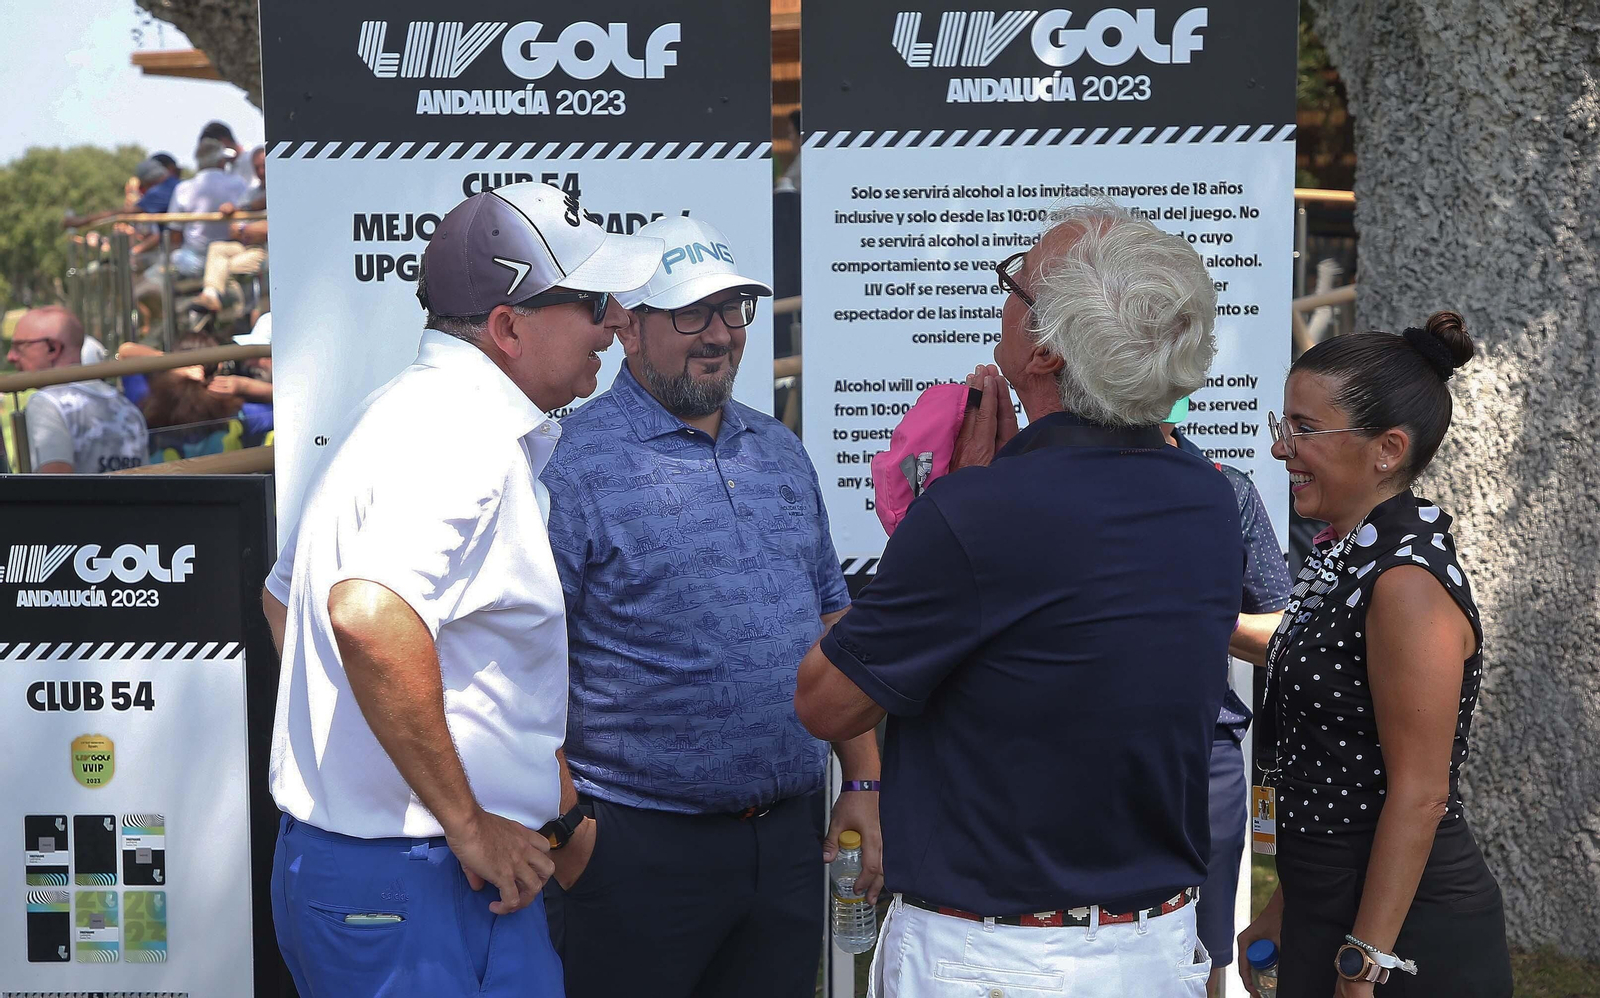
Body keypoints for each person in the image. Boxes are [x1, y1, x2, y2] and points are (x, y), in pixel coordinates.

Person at [794, 201, 1241, 995]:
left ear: (1043, 349)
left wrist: (944, 513)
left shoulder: (979, 515)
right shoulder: (1207, 501)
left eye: (1016, 285)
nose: (1002, 302)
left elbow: (824, 704)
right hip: (1154, 944)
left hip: (997, 958)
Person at [258, 182, 662, 997]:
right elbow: (366, 616)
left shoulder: (411, 413)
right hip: (415, 880)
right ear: (509, 328)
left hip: (406, 871)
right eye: (592, 300)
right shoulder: (454, 433)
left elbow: (286, 598)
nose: (617, 322)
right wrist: (464, 821)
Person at [538, 215, 879, 998]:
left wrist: (862, 786)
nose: (719, 334)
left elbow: (834, 621)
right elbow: (520, 667)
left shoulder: (779, 449)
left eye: (733, 310)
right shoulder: (570, 465)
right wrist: (569, 833)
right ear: (626, 327)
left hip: (788, 846)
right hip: (630, 851)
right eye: (690, 313)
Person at [1237, 312, 1513, 998]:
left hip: (1401, 930)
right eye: (1285, 426)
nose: (1282, 450)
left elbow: (1420, 795)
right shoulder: (1350, 554)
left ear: (1387, 449)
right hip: (1334, 905)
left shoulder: (1406, 582)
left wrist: (1364, 963)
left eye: (1304, 429)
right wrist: (1282, 908)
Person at [1162, 397, 1292, 996]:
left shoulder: (1226, 490)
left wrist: (1191, 615)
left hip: (1205, 750)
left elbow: (1280, 631)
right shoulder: (1051, 486)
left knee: (1206, 943)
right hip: (1087, 750)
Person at [6, 307, 146, 473]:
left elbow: (54, 490)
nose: (10, 357)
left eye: (19, 347)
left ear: (53, 348)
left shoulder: (47, 403)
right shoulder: (128, 408)